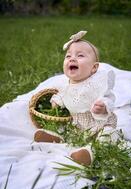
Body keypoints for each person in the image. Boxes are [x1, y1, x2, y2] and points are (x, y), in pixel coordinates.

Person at [34, 31, 117, 166]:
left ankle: (91, 152)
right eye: (68, 56)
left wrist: (102, 107)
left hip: (99, 125)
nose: (72, 59)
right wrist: (56, 102)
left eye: (80, 56)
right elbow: (62, 95)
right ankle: (58, 138)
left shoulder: (96, 84)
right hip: (77, 126)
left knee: (109, 135)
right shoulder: (65, 84)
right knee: (65, 129)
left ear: (94, 67)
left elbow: (109, 98)